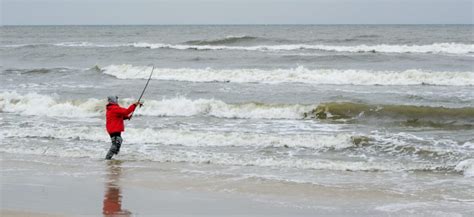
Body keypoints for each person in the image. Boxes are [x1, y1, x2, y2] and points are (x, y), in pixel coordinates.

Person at [105, 96, 142, 160]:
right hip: (114, 129)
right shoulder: (114, 108)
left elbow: (118, 116)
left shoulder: (111, 108)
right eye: (116, 99)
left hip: (113, 128)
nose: (117, 100)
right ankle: (107, 159)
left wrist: (127, 117)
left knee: (118, 142)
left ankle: (112, 159)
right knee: (116, 144)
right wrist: (134, 105)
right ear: (113, 100)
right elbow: (126, 111)